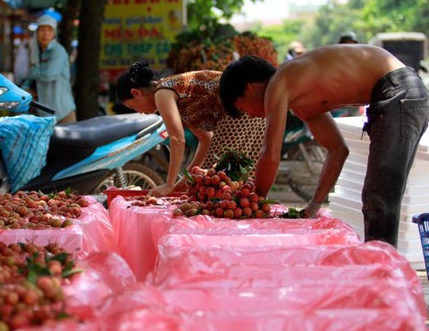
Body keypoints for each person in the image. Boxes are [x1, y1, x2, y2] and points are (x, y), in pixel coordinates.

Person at [219, 45, 429, 247]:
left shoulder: (280, 81)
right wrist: (313, 205)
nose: (251, 115)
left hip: (399, 90)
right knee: (380, 195)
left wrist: (255, 201)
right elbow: (338, 150)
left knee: (379, 197)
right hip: (401, 93)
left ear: (248, 88)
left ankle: (383, 272)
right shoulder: (302, 100)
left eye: (243, 109)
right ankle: (382, 265)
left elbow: (271, 153)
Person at [116, 61, 266, 197]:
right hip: (246, 113)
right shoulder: (177, 94)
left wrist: (169, 184)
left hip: (239, 110)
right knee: (224, 182)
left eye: (132, 106)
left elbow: (177, 139)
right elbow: (206, 139)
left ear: (136, 93)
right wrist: (185, 179)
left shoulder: (162, 93)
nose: (139, 112)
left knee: (216, 182)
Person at [25, 15, 76, 124]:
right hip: (45, 114)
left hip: (63, 112)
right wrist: (25, 88)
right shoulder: (36, 52)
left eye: (49, 30)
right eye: (42, 30)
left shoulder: (58, 51)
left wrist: (34, 72)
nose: (45, 34)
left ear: (54, 34)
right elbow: (30, 78)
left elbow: (48, 75)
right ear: (37, 33)